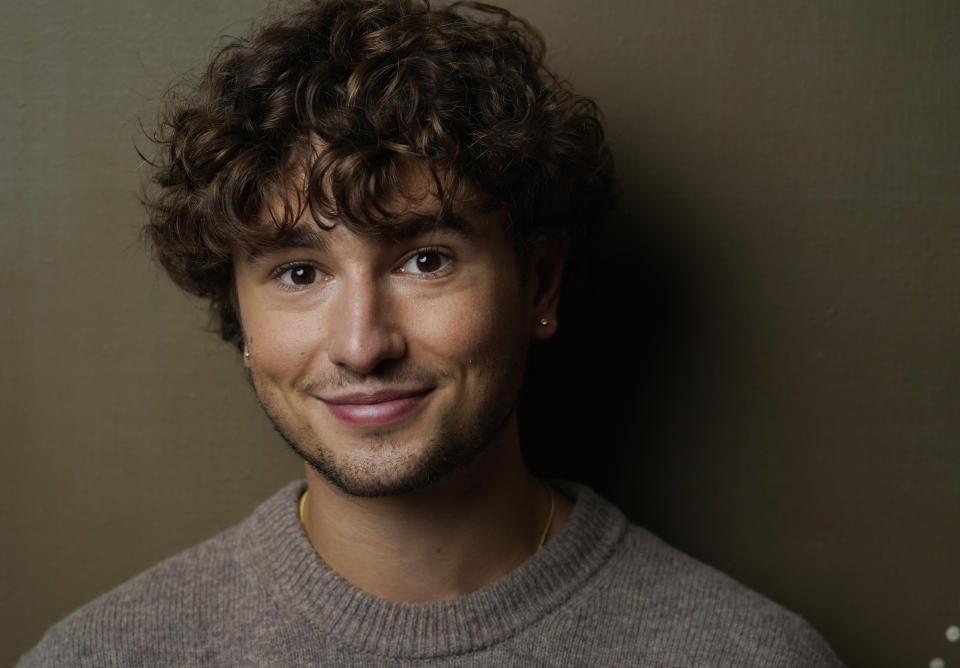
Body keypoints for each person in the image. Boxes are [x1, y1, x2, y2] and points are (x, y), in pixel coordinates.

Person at [20, 0, 843, 665]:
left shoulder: (746, 653)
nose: (362, 344)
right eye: (299, 273)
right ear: (239, 316)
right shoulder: (105, 654)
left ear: (540, 284)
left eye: (424, 259)